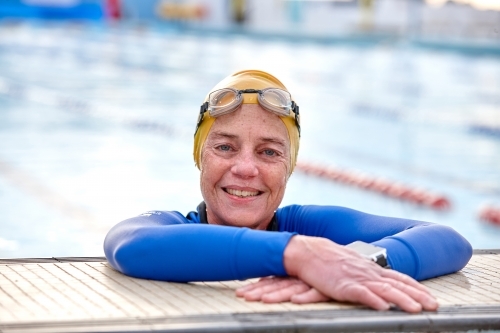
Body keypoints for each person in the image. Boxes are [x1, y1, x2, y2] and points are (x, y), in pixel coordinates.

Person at [104, 70, 472, 313]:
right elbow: (128, 244)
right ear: (199, 157)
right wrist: (299, 255)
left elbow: (449, 240)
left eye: (269, 152)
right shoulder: (172, 228)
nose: (245, 168)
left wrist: (357, 264)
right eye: (225, 147)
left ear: (289, 167)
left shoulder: (311, 225)